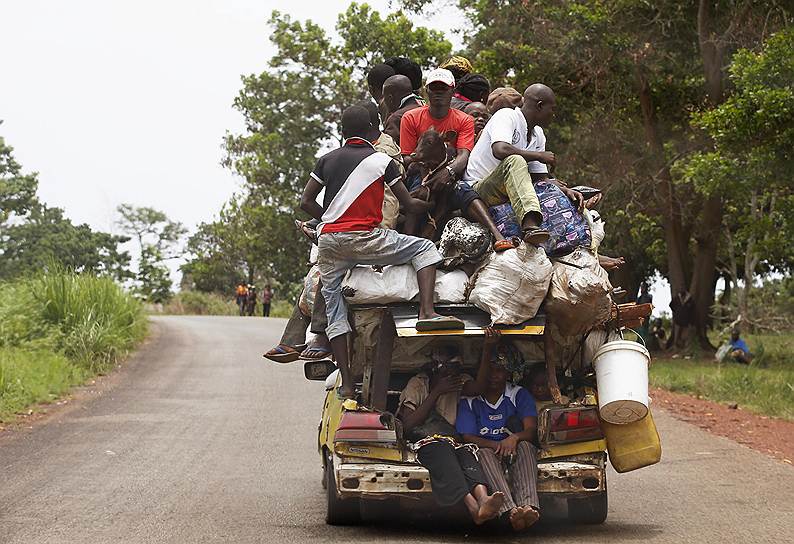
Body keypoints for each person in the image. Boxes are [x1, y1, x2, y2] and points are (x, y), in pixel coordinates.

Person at [300, 105, 464, 398]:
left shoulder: (326, 160)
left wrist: (330, 217)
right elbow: (408, 205)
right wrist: (431, 207)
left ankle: (348, 384)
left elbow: (306, 201)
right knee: (424, 249)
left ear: (343, 131)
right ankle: (427, 312)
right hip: (367, 240)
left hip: (329, 242)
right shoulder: (382, 161)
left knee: (335, 308)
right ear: (373, 129)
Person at [400, 68, 517, 252]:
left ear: (452, 91)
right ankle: (407, 245)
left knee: (462, 189)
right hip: (420, 172)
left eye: (443, 88)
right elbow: (407, 158)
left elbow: (463, 155)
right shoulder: (411, 117)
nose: (438, 92)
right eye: (434, 88)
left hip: (450, 172)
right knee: (416, 194)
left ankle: (497, 236)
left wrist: (448, 171)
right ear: (427, 91)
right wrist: (427, 172)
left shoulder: (464, 120)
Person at [398, 331, 504, 524]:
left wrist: (488, 347)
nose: (452, 373)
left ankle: (483, 499)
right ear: (435, 368)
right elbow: (408, 425)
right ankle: (474, 509)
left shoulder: (459, 381)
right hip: (425, 442)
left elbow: (479, 387)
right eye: (447, 368)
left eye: (455, 367)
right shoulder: (418, 384)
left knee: (468, 456)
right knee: (444, 453)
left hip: (454, 441)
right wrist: (437, 392)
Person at [463, 83, 584, 246]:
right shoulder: (506, 116)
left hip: (508, 190)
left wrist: (566, 191)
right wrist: (539, 155)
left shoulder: (538, 134)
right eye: (552, 109)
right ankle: (530, 224)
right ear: (540, 106)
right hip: (480, 189)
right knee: (515, 160)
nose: (553, 115)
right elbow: (499, 149)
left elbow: (539, 178)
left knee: (556, 194)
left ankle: (571, 243)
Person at [456, 340, 541, 532]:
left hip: (514, 451)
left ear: (508, 373)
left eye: (500, 370)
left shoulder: (518, 394)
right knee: (483, 452)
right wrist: (497, 446)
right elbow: (467, 437)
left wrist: (514, 438)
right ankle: (510, 510)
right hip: (489, 452)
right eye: (490, 370)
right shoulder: (470, 399)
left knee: (527, 446)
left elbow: (531, 429)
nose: (494, 376)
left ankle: (529, 506)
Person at [382, 74, 422, 145]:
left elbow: (387, 149)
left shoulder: (396, 118)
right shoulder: (424, 110)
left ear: (390, 98)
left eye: (384, 98)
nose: (384, 101)